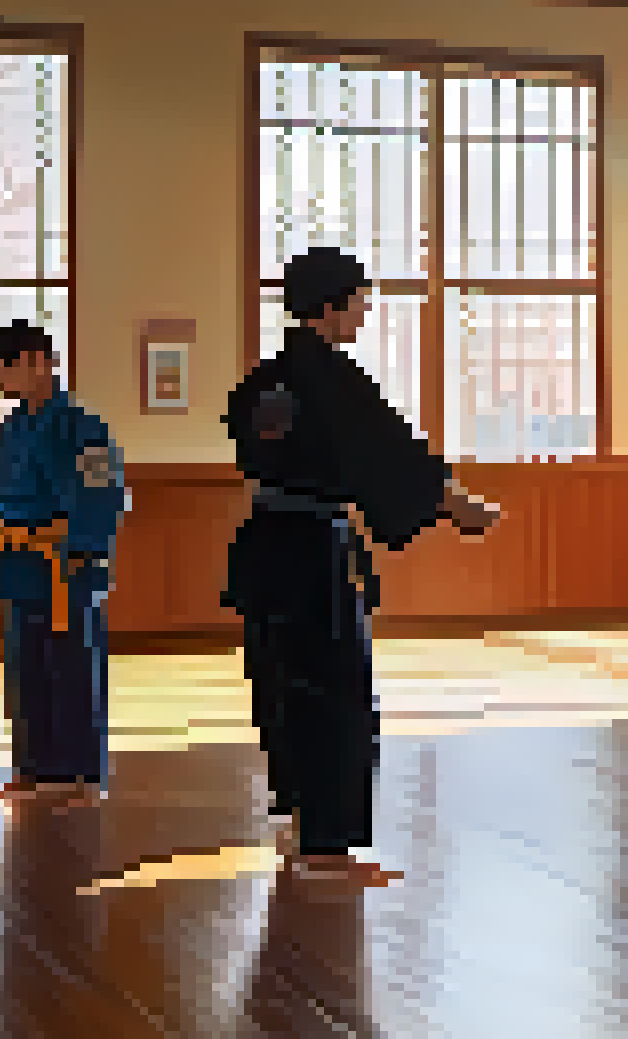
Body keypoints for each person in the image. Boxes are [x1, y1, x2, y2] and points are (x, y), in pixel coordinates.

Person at [225, 247, 502, 888]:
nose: (362, 313)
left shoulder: (263, 384)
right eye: (356, 301)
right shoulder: (333, 381)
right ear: (328, 306)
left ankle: (296, 818)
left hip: (264, 548)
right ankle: (326, 848)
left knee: (280, 684)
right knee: (333, 688)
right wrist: (457, 504)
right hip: (313, 550)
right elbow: (389, 453)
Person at [0, 321, 128, 805]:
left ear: (39, 362)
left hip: (68, 561)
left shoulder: (83, 427)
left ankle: (81, 774)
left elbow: (103, 493)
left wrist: (78, 545)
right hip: (21, 560)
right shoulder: (10, 428)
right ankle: (33, 768)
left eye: (4, 369)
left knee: (72, 667)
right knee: (26, 668)